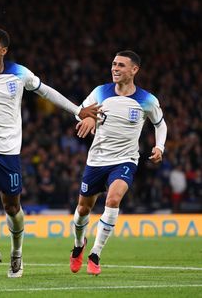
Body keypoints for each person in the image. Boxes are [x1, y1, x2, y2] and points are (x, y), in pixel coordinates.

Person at [0, 27, 99, 277]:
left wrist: (78, 111)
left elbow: (46, 91)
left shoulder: (20, 73)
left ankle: (16, 252)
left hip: (8, 151)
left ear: (4, 50)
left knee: (12, 207)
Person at [69, 50, 167, 275]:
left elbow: (160, 124)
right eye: (113, 64)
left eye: (121, 65)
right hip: (97, 159)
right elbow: (80, 112)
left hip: (125, 160)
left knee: (113, 200)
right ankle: (78, 245)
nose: (115, 68)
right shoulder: (100, 92)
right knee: (83, 208)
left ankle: (95, 254)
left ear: (134, 70)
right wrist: (89, 117)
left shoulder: (147, 100)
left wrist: (159, 146)